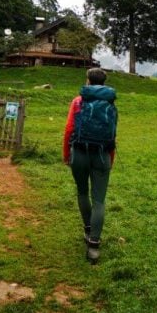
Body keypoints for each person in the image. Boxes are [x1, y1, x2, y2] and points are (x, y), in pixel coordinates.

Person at [63, 67, 117, 264]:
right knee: (99, 200)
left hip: (79, 152)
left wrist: (66, 154)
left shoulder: (78, 101)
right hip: (102, 155)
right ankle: (94, 246)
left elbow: (69, 129)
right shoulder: (110, 103)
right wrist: (110, 157)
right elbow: (113, 133)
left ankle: (88, 230)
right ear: (104, 82)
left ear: (87, 80)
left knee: (82, 192)